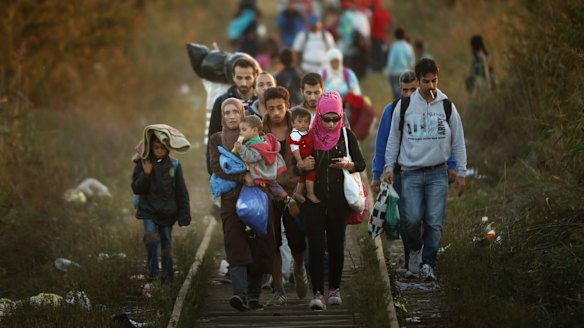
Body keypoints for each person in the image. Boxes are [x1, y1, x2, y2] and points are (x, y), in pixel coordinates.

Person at [384, 58, 467, 281]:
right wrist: (388, 167)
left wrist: (461, 172)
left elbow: (458, 140)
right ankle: (415, 249)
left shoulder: (446, 105)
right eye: (426, 81)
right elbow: (393, 139)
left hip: (437, 173)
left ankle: (429, 263)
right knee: (410, 219)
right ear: (418, 80)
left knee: (433, 221)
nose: (431, 86)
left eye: (434, 81)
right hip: (410, 172)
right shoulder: (405, 106)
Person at [296, 91, 366, 311]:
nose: (330, 123)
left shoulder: (346, 135)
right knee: (315, 247)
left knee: (336, 246)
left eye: (335, 118)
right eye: (326, 118)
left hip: (338, 203)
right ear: (318, 114)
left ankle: (334, 289)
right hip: (313, 202)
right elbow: (294, 166)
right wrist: (301, 165)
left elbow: (361, 164)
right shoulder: (308, 136)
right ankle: (317, 293)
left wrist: (348, 164)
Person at [209, 98, 275, 311]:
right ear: (222, 115)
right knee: (235, 245)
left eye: (235, 112)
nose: (231, 117)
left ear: (242, 113)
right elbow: (216, 168)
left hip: (257, 198)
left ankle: (254, 297)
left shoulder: (255, 136)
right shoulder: (216, 139)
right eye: (226, 112)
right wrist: (242, 177)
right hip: (230, 200)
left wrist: (252, 176)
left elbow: (268, 160)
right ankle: (240, 295)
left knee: (259, 247)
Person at [262, 86, 309, 306]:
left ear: (287, 106)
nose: (276, 112)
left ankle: (299, 268)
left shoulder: (298, 127)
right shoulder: (260, 130)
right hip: (268, 194)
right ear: (265, 109)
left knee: (297, 239)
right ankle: (278, 288)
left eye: (280, 107)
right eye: (271, 108)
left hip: (293, 193)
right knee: (272, 241)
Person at [131, 134, 191, 283]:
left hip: (167, 212)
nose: (159, 150)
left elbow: (181, 192)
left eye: (162, 148)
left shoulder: (174, 165)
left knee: (166, 243)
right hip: (148, 210)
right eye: (156, 147)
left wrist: (184, 214)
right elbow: (136, 188)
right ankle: (153, 275)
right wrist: (146, 174)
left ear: (168, 148)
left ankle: (168, 277)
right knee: (151, 239)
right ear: (151, 147)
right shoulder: (143, 163)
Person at [207, 56, 259, 174]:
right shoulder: (222, 101)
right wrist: (212, 172)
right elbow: (213, 136)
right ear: (233, 76)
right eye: (239, 78)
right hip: (228, 168)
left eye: (248, 78)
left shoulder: (260, 103)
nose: (244, 82)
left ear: (255, 76)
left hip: (255, 167)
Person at [233, 115, 288, 200]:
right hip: (269, 170)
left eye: (244, 130)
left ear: (254, 130)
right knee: (274, 185)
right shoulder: (263, 140)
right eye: (240, 130)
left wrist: (241, 148)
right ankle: (286, 198)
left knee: (257, 188)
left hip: (261, 173)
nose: (241, 132)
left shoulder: (257, 146)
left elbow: (250, 157)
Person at [288, 107, 318, 203]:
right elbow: (294, 148)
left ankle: (298, 192)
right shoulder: (295, 134)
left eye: (306, 121)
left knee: (303, 176)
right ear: (293, 123)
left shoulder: (305, 132)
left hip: (305, 156)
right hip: (299, 157)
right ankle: (310, 193)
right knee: (311, 173)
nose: (303, 124)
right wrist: (299, 160)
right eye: (300, 121)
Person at [386, 27, 415, 100]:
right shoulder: (409, 47)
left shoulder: (394, 46)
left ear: (395, 36)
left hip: (395, 74)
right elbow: (411, 63)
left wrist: (388, 72)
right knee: (406, 94)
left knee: (396, 95)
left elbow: (391, 62)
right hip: (405, 73)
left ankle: (397, 109)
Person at [369, 0, 392, 72]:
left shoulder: (374, 13)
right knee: (381, 53)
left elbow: (371, 25)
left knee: (375, 53)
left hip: (375, 37)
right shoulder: (386, 13)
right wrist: (388, 37)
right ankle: (381, 68)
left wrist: (369, 36)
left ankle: (375, 68)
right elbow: (389, 25)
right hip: (383, 37)